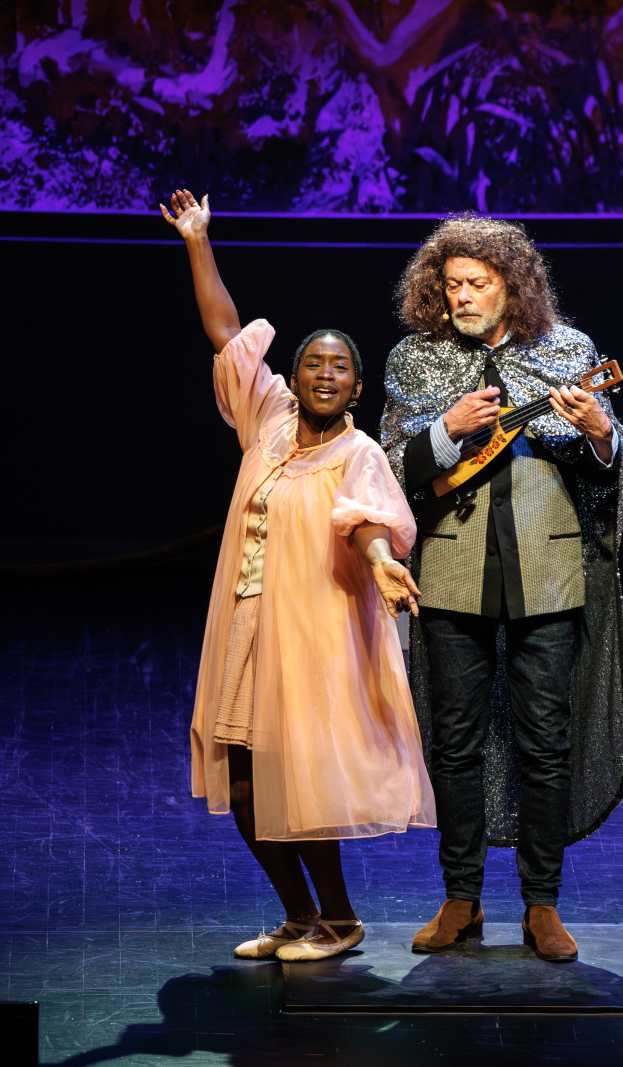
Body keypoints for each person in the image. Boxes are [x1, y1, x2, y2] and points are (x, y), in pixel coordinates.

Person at [161, 189, 435, 961]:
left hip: (309, 639)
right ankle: (299, 914)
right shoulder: (269, 423)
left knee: (299, 780)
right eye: (313, 362)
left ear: (356, 388)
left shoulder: (359, 453)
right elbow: (225, 333)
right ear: (295, 375)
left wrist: (382, 565)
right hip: (245, 627)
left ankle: (339, 920)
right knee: (247, 783)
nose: (323, 373)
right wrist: (198, 242)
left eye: (338, 367)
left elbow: (368, 522)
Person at [378, 215, 623, 962]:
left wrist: (598, 433)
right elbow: (389, 464)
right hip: (451, 570)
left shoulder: (567, 351)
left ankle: (541, 904)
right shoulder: (417, 359)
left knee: (545, 743)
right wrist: (445, 429)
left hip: (547, 570)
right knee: (454, 741)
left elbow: (610, 459)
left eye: (477, 284)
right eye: (451, 284)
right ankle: (460, 898)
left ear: (512, 286)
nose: (461, 296)